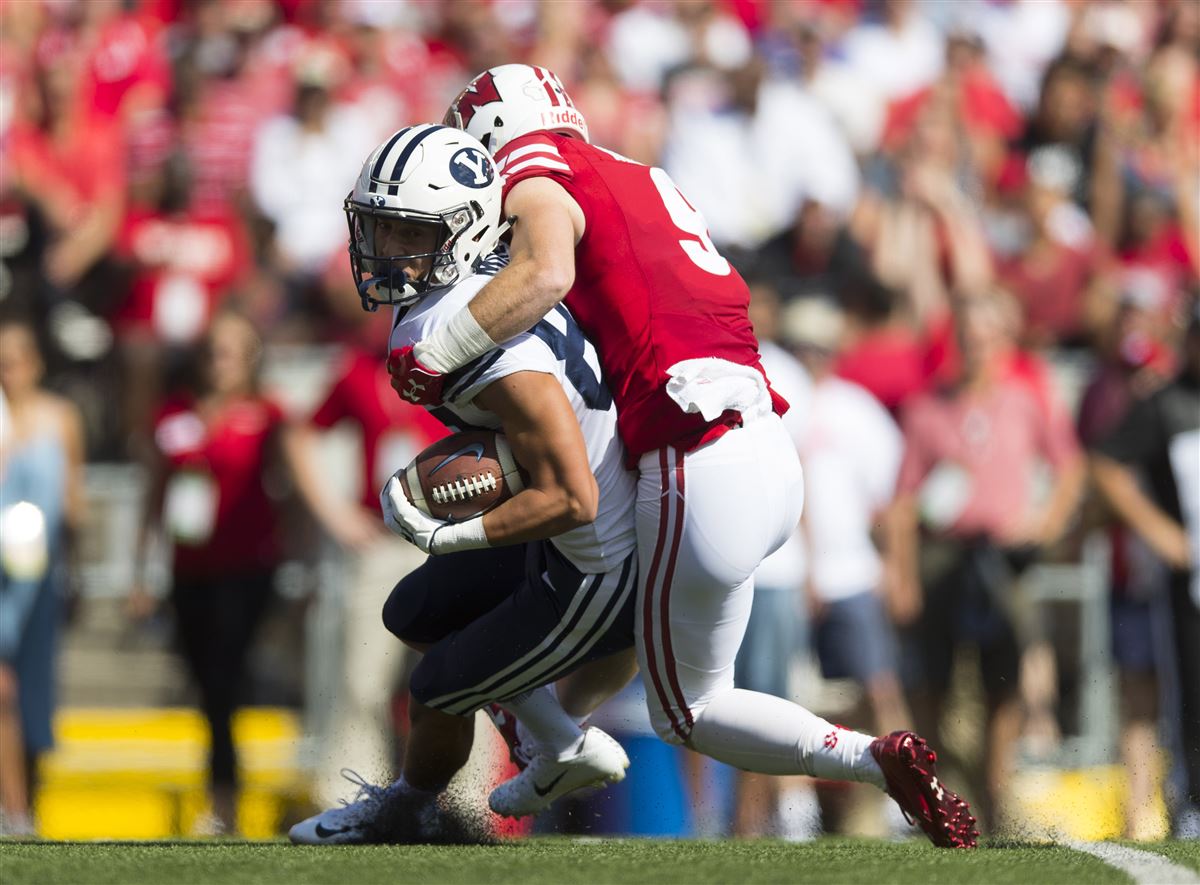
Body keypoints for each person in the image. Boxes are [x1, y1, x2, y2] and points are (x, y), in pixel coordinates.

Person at [386, 65, 977, 848]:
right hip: (763, 441)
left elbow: (547, 270)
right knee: (627, 632)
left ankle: (873, 757)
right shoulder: (643, 175)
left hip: (691, 453)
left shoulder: (541, 165)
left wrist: (437, 350)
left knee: (688, 710)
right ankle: (554, 742)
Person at [289, 126, 639, 844]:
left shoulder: (488, 337)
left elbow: (574, 497)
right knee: (415, 610)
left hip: (595, 556)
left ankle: (406, 810)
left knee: (436, 686)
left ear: (467, 229)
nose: (383, 249)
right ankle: (556, 741)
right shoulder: (475, 293)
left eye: (405, 231)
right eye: (377, 227)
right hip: (561, 527)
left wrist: (451, 530)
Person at [885, 292, 1085, 833]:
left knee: (1004, 680)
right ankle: (933, 799)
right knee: (931, 680)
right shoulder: (928, 406)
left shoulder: (1025, 398)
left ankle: (994, 799)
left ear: (1003, 341)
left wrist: (1045, 521)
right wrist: (901, 577)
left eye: (986, 336)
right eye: (968, 337)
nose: (976, 347)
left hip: (1003, 556)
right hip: (943, 553)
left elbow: (1069, 468)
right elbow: (903, 504)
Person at [129, 310, 290, 835]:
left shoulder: (268, 416)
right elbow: (154, 492)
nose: (219, 363)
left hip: (247, 568)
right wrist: (140, 570)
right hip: (189, 568)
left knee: (224, 678)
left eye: (231, 352)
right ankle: (221, 795)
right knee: (206, 683)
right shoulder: (174, 413)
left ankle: (225, 802)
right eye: (212, 351)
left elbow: (288, 489)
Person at [1090, 303, 1200, 839]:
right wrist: (1162, 534)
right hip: (1184, 586)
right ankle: (1191, 802)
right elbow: (1107, 463)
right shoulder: (1164, 404)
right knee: (1187, 691)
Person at [0, 321, 85, 836]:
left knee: (32, 694)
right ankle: (12, 809)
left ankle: (26, 805)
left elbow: (73, 500)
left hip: (39, 576)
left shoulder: (61, 418)